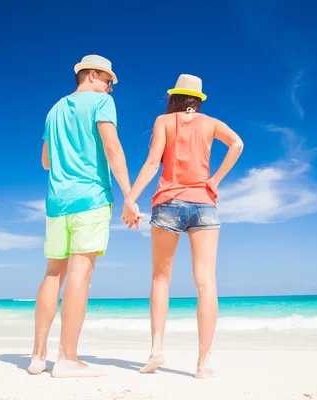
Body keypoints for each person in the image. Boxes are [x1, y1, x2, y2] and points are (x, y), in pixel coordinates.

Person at [121, 74, 244, 378]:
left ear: (175, 97)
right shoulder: (211, 123)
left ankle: (156, 350)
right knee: (206, 283)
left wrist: (131, 199)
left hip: (168, 203)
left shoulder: (164, 121)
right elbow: (237, 144)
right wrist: (214, 180)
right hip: (204, 204)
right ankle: (203, 363)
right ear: (198, 101)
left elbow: (152, 163)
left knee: (161, 278)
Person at [28, 54, 141, 378]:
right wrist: (129, 196)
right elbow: (112, 146)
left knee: (53, 274)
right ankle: (67, 358)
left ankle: (38, 356)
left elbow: (47, 161)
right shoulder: (101, 103)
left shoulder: (54, 110)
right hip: (89, 198)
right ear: (92, 75)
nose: (110, 88)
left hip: (56, 202)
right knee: (80, 274)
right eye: (108, 81)